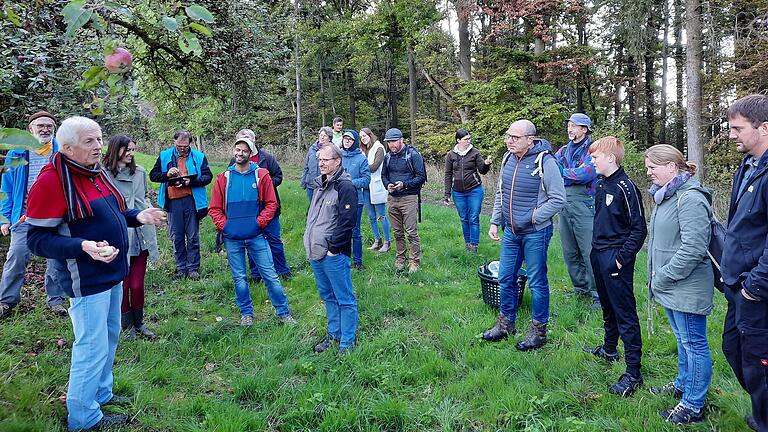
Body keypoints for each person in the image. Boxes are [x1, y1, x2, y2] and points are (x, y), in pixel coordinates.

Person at [25, 116, 166, 431]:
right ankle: (84, 418)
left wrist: (138, 216)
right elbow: (36, 239)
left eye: (100, 139)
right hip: (85, 280)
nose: (99, 146)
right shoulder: (52, 181)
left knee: (110, 336)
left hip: (114, 272)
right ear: (68, 148)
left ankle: (100, 395)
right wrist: (83, 245)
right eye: (90, 141)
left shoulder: (95, 172)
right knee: (92, 345)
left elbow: (113, 213)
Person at [644, 144, 714, 424]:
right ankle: (684, 385)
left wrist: (663, 275)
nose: (648, 172)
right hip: (672, 284)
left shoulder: (691, 198)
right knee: (682, 342)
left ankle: (693, 405)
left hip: (686, 285)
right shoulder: (667, 196)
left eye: (652, 167)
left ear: (671, 167)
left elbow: (695, 248)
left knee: (694, 344)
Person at [482, 120, 565, 351]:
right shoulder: (508, 159)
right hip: (511, 232)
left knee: (537, 283)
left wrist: (534, 216)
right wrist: (495, 221)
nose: (509, 141)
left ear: (530, 140)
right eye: (508, 136)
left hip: (536, 233)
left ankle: (539, 331)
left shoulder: (545, 161)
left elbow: (559, 199)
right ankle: (506, 324)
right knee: (505, 277)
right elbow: (501, 192)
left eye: (515, 137)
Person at [583, 136, 647, 397]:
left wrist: (621, 259)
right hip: (598, 255)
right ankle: (609, 349)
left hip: (615, 258)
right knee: (607, 306)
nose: (591, 160)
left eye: (595, 156)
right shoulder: (601, 184)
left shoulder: (626, 187)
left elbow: (639, 228)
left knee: (625, 313)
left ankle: (633, 372)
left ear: (611, 157)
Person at [209, 138, 296, 327]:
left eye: (244, 151)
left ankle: (283, 312)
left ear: (251, 153)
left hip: (256, 236)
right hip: (233, 239)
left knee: (270, 275)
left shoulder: (261, 175)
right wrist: (225, 226)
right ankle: (246, 313)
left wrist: (259, 223)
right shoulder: (224, 178)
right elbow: (214, 208)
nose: (240, 154)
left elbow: (272, 204)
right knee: (239, 277)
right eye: (237, 150)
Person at [721, 94, 768, 432]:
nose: (732, 135)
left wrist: (755, 286)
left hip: (756, 289)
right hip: (738, 284)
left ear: (763, 128)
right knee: (735, 350)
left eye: (737, 128)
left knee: (759, 363)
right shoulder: (748, 165)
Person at [0, 111, 67, 318]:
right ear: (31, 129)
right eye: (40, 126)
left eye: (49, 126)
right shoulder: (17, 152)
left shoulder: (62, 152)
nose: (45, 129)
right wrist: (4, 218)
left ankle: (56, 301)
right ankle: (6, 301)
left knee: (56, 258)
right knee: (17, 256)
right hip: (24, 216)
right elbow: (7, 188)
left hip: (56, 215)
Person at [103, 135, 161, 340]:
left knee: (137, 284)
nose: (130, 153)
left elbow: (143, 196)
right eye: (126, 149)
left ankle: (140, 323)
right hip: (118, 233)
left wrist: (150, 212)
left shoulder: (140, 172)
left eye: (133, 150)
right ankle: (126, 327)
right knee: (123, 283)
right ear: (114, 149)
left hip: (141, 232)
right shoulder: (103, 175)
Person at [304, 144, 358, 353]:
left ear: (337, 161)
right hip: (315, 251)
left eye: (326, 160)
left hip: (333, 254)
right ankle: (334, 336)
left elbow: (348, 221)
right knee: (328, 297)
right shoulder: (321, 184)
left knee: (345, 299)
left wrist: (333, 249)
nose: (321, 163)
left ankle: (346, 343)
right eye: (320, 160)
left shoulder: (345, 187)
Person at [149, 131, 212, 279]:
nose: (182, 149)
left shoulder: (199, 156)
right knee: (176, 236)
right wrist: (167, 175)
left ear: (190, 143)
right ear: (174, 142)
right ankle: (181, 268)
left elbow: (208, 176)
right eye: (179, 146)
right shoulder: (164, 156)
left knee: (192, 236)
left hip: (192, 201)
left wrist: (193, 181)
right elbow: (153, 175)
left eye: (185, 146)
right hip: (172, 201)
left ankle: (193, 268)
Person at [233, 129, 292, 281]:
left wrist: (265, 186)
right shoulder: (235, 161)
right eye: (241, 140)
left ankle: (282, 270)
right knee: (251, 241)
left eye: (247, 139)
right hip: (247, 210)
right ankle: (256, 274)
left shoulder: (266, 158)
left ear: (253, 141)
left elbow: (278, 175)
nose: (242, 150)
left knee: (274, 239)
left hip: (268, 206)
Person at [555, 113, 600, 307]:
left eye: (574, 126)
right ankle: (580, 288)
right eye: (569, 125)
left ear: (584, 129)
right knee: (569, 250)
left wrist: (561, 174)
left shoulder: (593, 150)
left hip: (585, 205)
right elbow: (550, 168)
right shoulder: (563, 150)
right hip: (564, 204)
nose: (570, 129)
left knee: (589, 250)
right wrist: (563, 174)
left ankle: (597, 293)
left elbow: (586, 173)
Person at [380, 128, 427, 273]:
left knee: (411, 232)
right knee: (397, 232)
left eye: (394, 141)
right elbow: (383, 175)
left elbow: (421, 177)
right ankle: (400, 258)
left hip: (409, 198)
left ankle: (414, 261)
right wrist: (387, 184)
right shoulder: (387, 157)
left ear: (401, 140)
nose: (392, 145)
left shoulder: (413, 155)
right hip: (393, 198)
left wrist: (404, 184)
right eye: (389, 142)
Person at [443, 128, 492, 253]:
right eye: (466, 139)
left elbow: (482, 170)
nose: (469, 141)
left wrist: (486, 164)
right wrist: (447, 194)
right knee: (464, 218)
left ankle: (474, 246)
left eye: (469, 139)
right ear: (458, 140)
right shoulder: (451, 155)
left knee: (473, 217)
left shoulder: (475, 153)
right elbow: (448, 174)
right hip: (458, 192)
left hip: (474, 190)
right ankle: (468, 244)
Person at [341, 129, 371, 270]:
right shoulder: (338, 156)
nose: (347, 141)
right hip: (338, 199)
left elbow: (366, 180)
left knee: (355, 231)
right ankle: (342, 258)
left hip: (356, 200)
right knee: (340, 229)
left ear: (354, 142)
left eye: (350, 139)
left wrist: (350, 183)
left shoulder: (361, 158)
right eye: (345, 138)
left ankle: (358, 262)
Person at [359, 128, 391, 253]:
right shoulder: (363, 150)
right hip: (366, 187)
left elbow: (375, 166)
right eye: (361, 137)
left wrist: (361, 168)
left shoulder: (379, 148)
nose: (363, 138)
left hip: (377, 186)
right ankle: (377, 240)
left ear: (370, 135)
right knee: (371, 216)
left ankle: (387, 242)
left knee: (381, 215)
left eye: (365, 135)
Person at [301, 127, 334, 201]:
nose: (322, 137)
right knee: (312, 208)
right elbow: (306, 166)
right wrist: (304, 181)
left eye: (325, 136)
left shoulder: (333, 150)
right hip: (311, 184)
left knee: (323, 209)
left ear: (329, 138)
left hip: (325, 185)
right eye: (321, 135)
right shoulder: (312, 148)